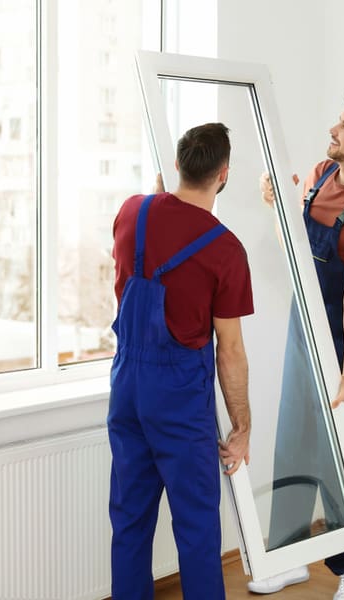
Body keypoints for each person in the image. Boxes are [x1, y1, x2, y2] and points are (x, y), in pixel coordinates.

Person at [248, 89, 344, 600]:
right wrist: (277, 206)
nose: (334, 131)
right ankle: (290, 554)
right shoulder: (318, 175)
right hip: (304, 319)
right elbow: (294, 250)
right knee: (294, 437)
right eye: (338, 121)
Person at [108, 122, 253, 599]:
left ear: (176, 165)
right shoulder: (226, 250)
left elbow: (150, 243)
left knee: (130, 519)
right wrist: (242, 425)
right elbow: (228, 350)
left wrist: (158, 200)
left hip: (127, 387)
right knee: (196, 528)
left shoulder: (133, 212)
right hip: (178, 398)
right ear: (224, 175)